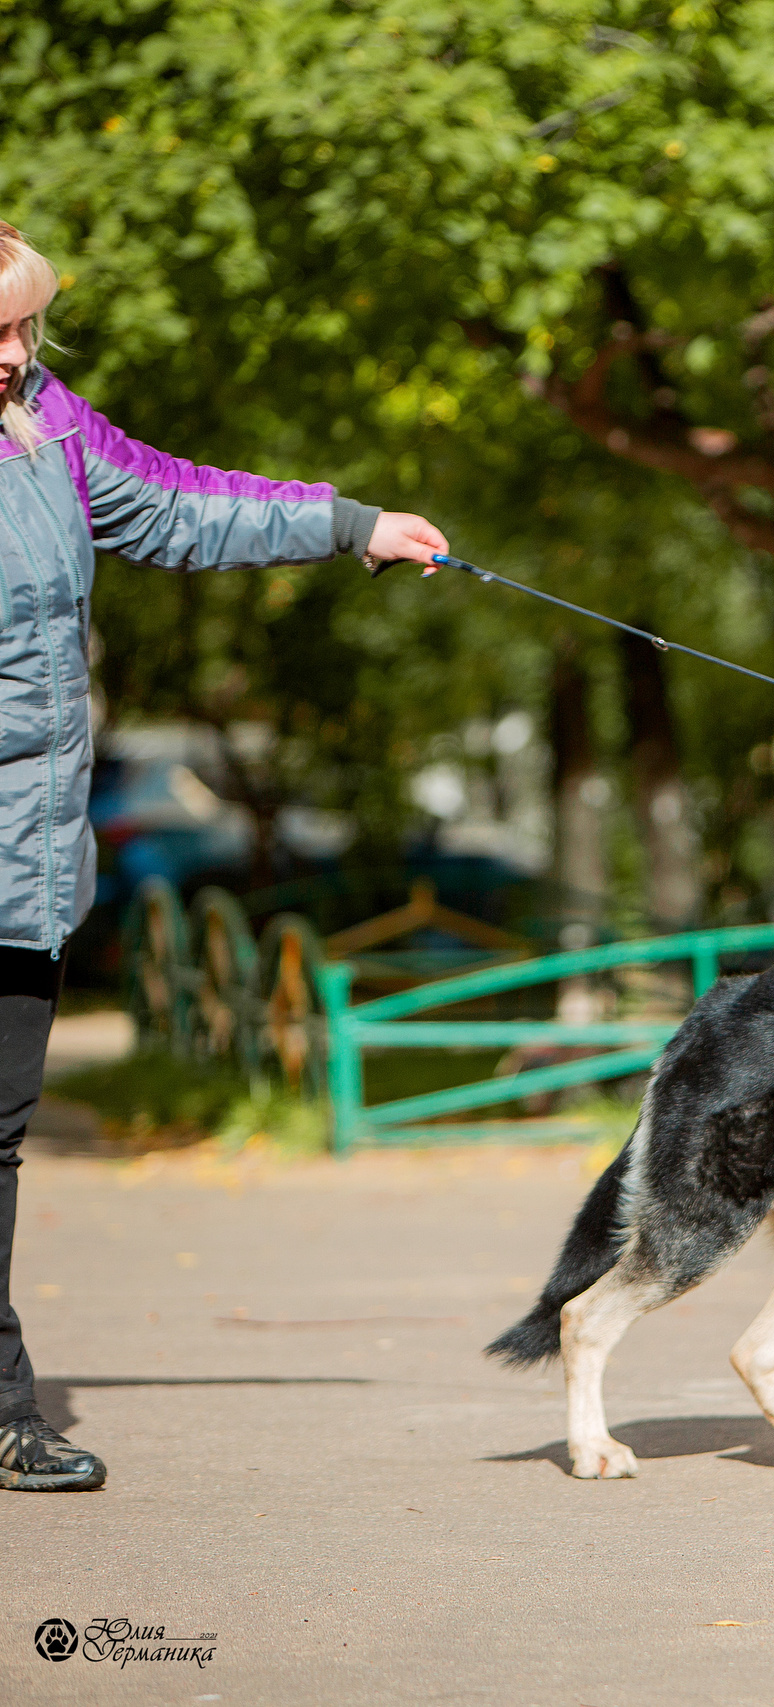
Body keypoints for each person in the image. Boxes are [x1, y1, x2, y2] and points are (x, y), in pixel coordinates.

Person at [0, 222, 448, 1491]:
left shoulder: (42, 424)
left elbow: (175, 505)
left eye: (25, 325)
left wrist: (350, 525)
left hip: (19, 856)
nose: (18, 354)